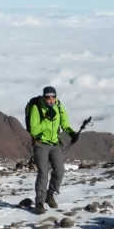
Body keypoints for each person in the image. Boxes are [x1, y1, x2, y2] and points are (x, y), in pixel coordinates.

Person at [28, 86, 78, 214]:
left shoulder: (59, 106)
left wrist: (72, 133)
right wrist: (46, 119)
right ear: (44, 97)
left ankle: (50, 194)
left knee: (60, 171)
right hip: (40, 144)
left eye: (53, 97)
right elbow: (34, 130)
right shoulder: (36, 108)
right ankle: (39, 202)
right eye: (48, 97)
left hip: (55, 143)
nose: (51, 100)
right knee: (43, 173)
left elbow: (64, 124)